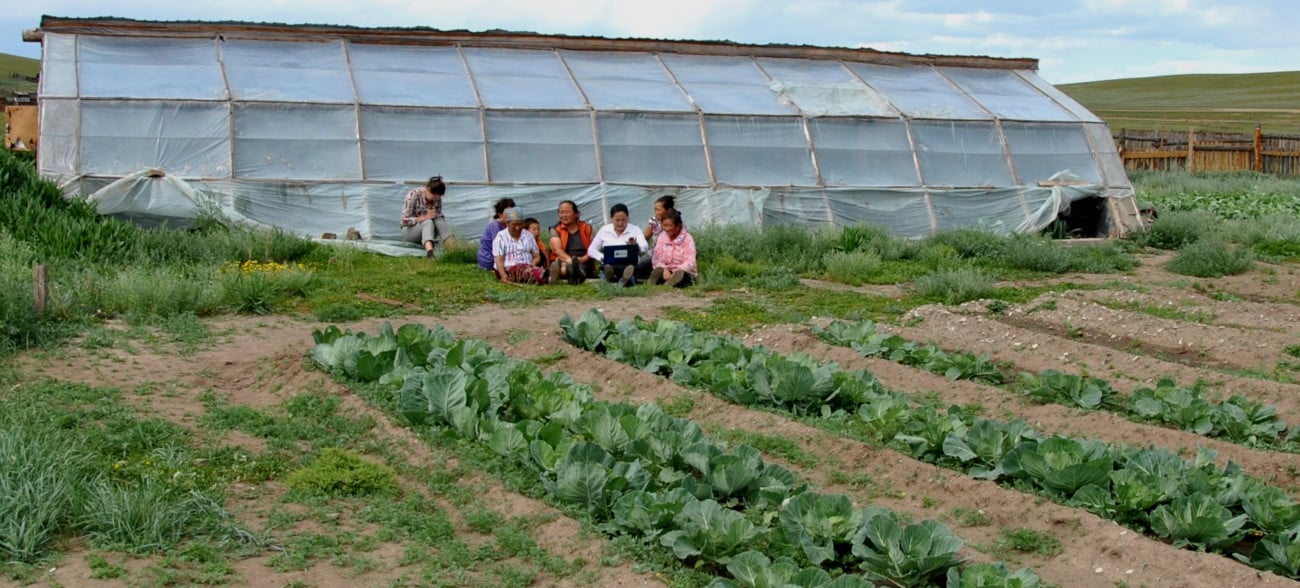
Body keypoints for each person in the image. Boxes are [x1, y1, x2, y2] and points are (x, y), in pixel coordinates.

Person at [587, 203, 649, 287]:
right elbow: (591, 250)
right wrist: (602, 257)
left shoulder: (635, 230)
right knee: (608, 270)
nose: (620, 223)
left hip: (629, 265)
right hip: (611, 265)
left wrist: (636, 247)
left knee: (630, 273)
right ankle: (613, 277)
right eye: (617, 220)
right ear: (611, 219)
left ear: (628, 218)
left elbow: (645, 247)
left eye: (624, 220)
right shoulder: (604, 230)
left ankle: (622, 279)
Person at [399, 176, 451, 259]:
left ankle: (451, 246)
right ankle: (430, 252)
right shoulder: (413, 194)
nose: (436, 198)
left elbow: (439, 218)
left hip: (429, 232)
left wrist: (435, 216)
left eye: (439, 196)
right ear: (427, 189)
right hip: (410, 231)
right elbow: (403, 221)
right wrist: (424, 217)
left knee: (439, 219)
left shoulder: (437, 199)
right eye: (434, 195)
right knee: (428, 222)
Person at [547, 200, 595, 285]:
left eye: (567, 212)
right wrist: (570, 260)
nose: (564, 215)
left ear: (576, 214)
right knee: (563, 265)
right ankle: (571, 272)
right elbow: (556, 250)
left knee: (578, 267)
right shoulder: (555, 230)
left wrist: (583, 258)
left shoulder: (587, 228)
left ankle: (568, 273)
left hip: (583, 262)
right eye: (561, 213)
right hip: (563, 261)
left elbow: (594, 248)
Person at [493, 209, 546, 284]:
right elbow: (499, 260)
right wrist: (503, 275)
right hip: (507, 268)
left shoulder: (528, 235)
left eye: (520, 224)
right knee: (521, 269)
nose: (517, 228)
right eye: (514, 225)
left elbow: (537, 256)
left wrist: (531, 266)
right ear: (507, 224)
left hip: (527, 267)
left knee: (526, 271)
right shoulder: (500, 237)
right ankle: (545, 276)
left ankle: (549, 275)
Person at [648, 210, 697, 288]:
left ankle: (670, 283)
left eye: (669, 225)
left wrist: (677, 270)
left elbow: (690, 260)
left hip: (683, 271)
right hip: (667, 271)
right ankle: (654, 283)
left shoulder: (687, 238)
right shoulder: (662, 236)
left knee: (681, 275)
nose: (666, 229)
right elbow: (657, 257)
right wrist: (664, 269)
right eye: (664, 225)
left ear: (678, 226)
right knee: (658, 271)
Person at [636, 195, 675, 279]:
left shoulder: (676, 223)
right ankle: (657, 274)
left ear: (669, 210)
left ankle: (661, 274)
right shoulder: (654, 221)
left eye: (658, 210)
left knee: (641, 268)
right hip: (654, 253)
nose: (656, 212)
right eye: (655, 209)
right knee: (638, 265)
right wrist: (634, 244)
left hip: (670, 254)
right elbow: (645, 237)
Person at [476, 198, 517, 271]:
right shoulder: (495, 226)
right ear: (500, 214)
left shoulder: (507, 225)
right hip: (488, 259)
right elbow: (499, 247)